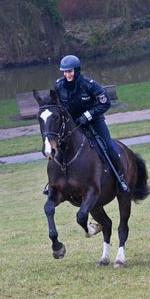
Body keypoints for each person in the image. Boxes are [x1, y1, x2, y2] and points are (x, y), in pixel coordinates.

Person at [44, 55, 130, 194]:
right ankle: (52, 183)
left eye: (70, 71)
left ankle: (120, 177)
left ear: (76, 70)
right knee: (57, 147)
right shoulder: (59, 85)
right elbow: (57, 104)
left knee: (107, 145)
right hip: (72, 123)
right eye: (65, 72)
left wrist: (87, 115)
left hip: (94, 120)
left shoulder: (89, 84)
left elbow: (104, 103)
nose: (67, 74)